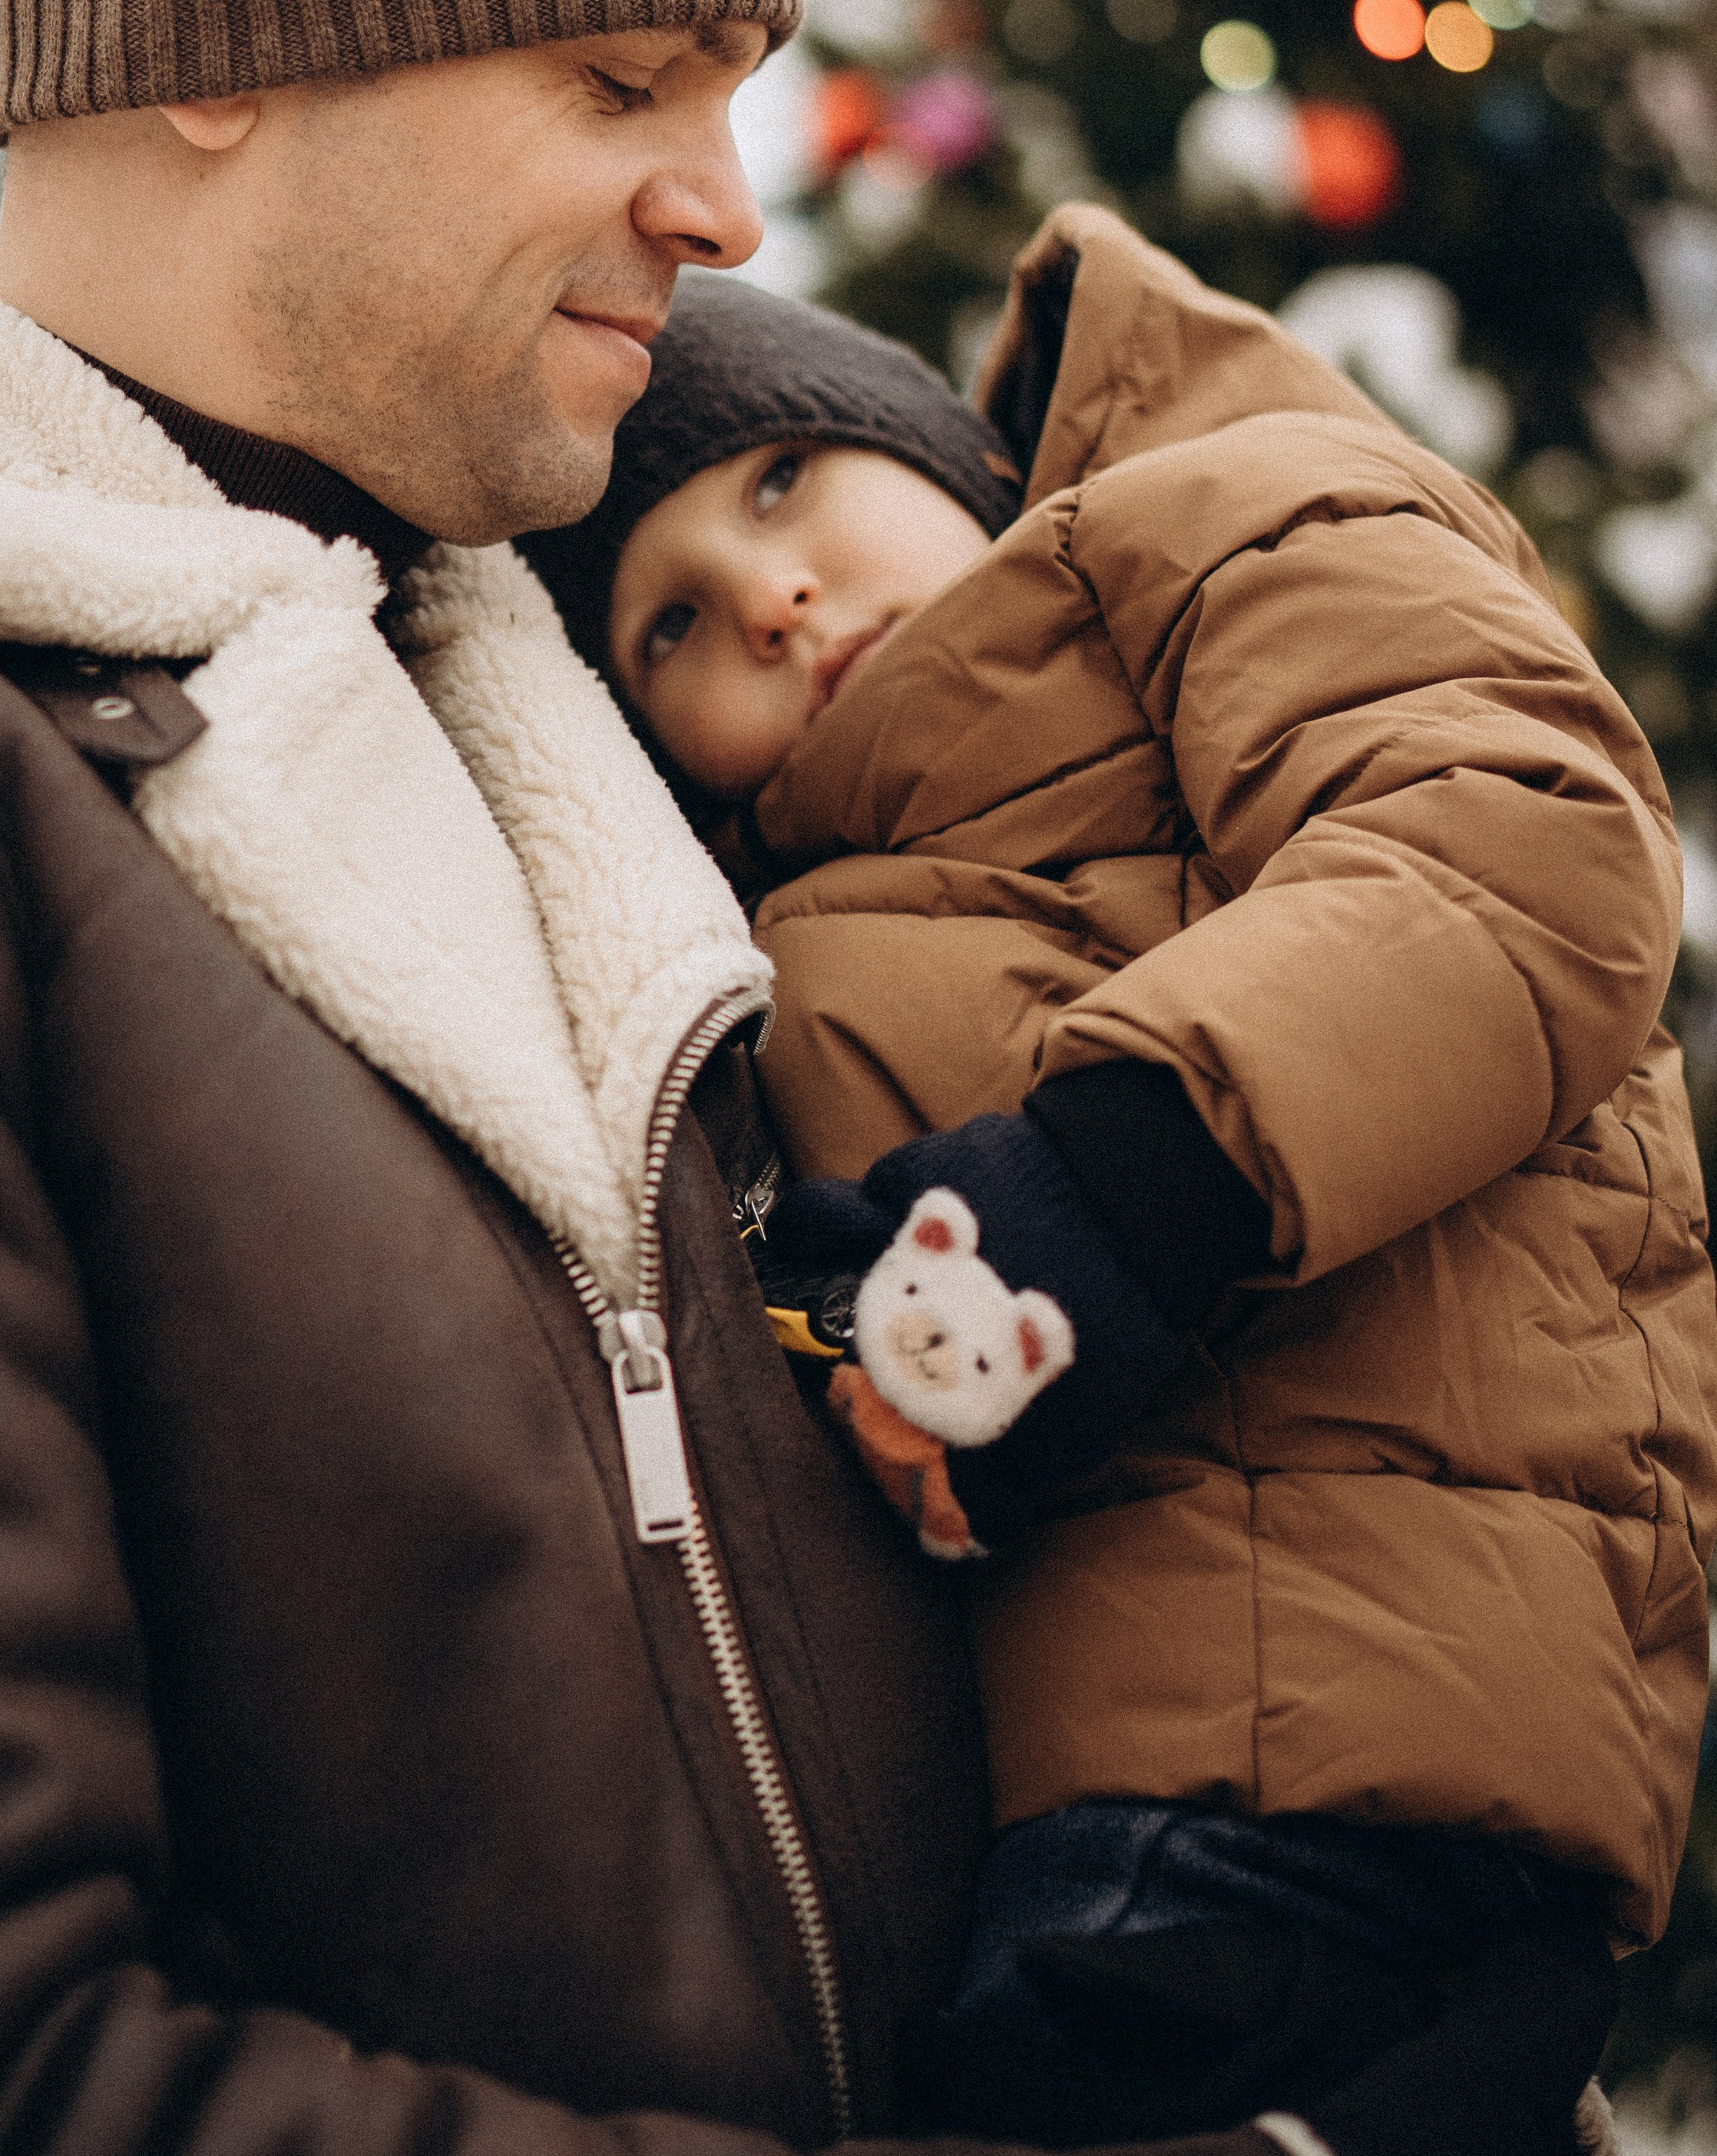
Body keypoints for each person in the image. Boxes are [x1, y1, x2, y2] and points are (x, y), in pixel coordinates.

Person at [0, 0, 1109, 2156]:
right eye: (617, 82)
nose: (728, 205)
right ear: (220, 31)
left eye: (730, 90)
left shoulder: (622, 736)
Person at [520, 213, 1717, 2156]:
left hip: (1353, 1705)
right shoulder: (764, 935)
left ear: (932, 445)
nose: (769, 594)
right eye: (668, 625)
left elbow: (1516, 838)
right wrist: (854, 1323)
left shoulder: (1207, 519)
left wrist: (1105, 1189)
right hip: (1104, 1768)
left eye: (783, 478)